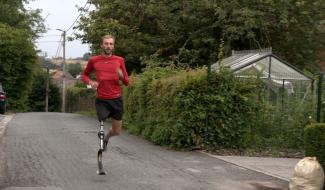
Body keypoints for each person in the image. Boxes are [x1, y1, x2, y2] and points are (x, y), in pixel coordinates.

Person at [82, 34, 129, 150]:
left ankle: (107, 137)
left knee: (117, 131)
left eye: (111, 44)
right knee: (102, 119)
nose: (108, 46)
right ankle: (102, 139)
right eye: (106, 43)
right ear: (101, 45)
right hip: (102, 99)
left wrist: (121, 76)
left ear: (113, 46)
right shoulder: (94, 60)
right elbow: (84, 75)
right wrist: (90, 82)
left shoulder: (119, 60)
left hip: (116, 99)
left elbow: (127, 82)